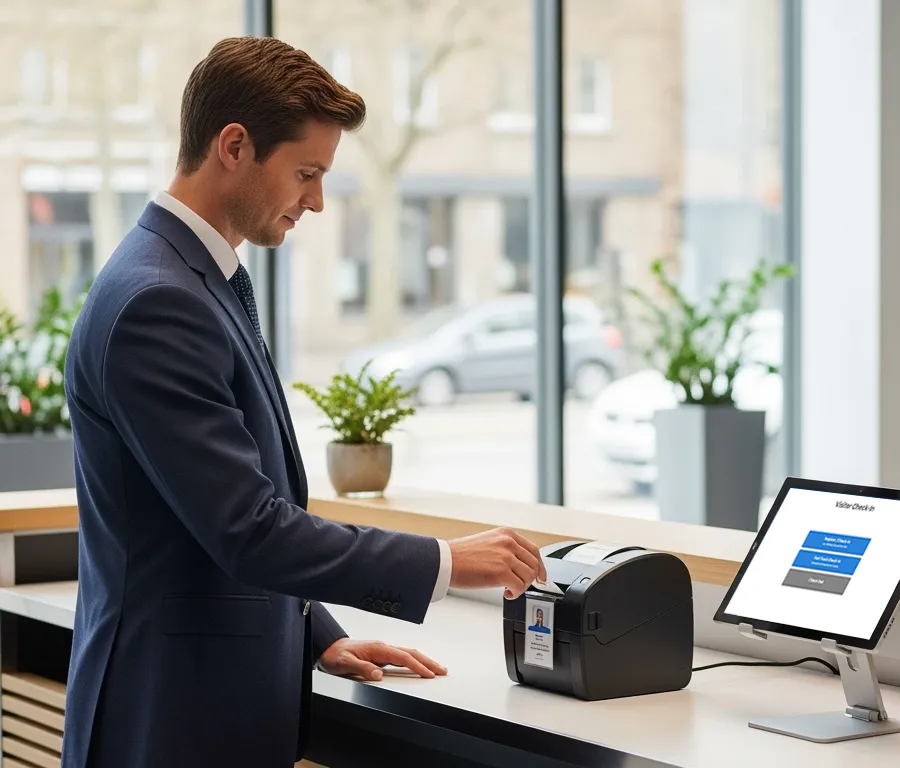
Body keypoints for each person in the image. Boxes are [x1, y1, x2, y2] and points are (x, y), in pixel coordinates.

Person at [61, 36, 546, 768]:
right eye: (307, 173)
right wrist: (446, 562)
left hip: (195, 708)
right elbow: (248, 529)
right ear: (233, 145)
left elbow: (203, 517)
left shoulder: (193, 279)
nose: (316, 201)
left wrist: (319, 634)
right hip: (166, 720)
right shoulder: (159, 301)